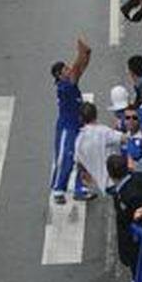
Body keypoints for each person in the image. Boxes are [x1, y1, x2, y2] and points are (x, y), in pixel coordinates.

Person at [106, 154, 142, 282]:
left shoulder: (129, 195)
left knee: (136, 258)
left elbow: (138, 216)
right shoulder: (141, 177)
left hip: (135, 234)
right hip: (141, 229)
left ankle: (141, 280)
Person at [50, 37, 92, 204]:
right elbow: (76, 69)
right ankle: (58, 189)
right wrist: (80, 53)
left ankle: (79, 188)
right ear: (59, 75)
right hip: (67, 127)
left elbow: (81, 68)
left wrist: (86, 54)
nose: (69, 69)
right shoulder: (64, 87)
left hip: (78, 125)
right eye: (65, 69)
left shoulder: (71, 82)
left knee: (81, 157)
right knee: (65, 157)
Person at [74, 102, 125, 194]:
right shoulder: (104, 131)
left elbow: (80, 164)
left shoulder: (79, 140)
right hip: (117, 180)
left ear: (81, 118)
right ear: (96, 114)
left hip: (103, 186)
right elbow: (125, 139)